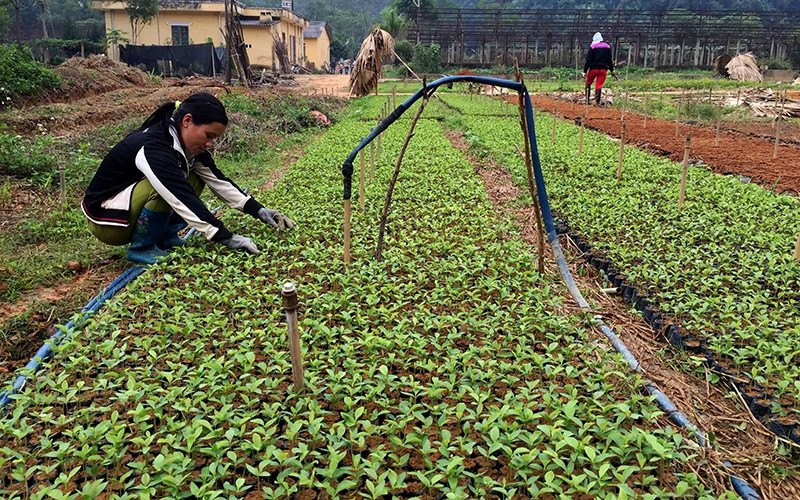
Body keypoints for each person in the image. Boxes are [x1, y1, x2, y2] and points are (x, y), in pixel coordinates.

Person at [81, 92, 295, 264]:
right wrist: (226, 237)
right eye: (208, 136)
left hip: (125, 209)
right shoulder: (154, 146)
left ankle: (166, 237)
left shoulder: (186, 146)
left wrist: (259, 210)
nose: (210, 144)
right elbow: (178, 195)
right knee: (165, 185)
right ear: (187, 121)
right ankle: (141, 248)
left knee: (195, 176)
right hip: (108, 222)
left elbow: (218, 181)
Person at [583, 32, 615, 106]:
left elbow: (588, 59)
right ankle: (597, 102)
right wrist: (612, 70)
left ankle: (587, 101)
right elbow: (609, 60)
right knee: (599, 85)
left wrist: (585, 71)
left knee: (588, 83)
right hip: (603, 70)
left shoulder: (593, 46)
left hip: (593, 69)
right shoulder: (607, 47)